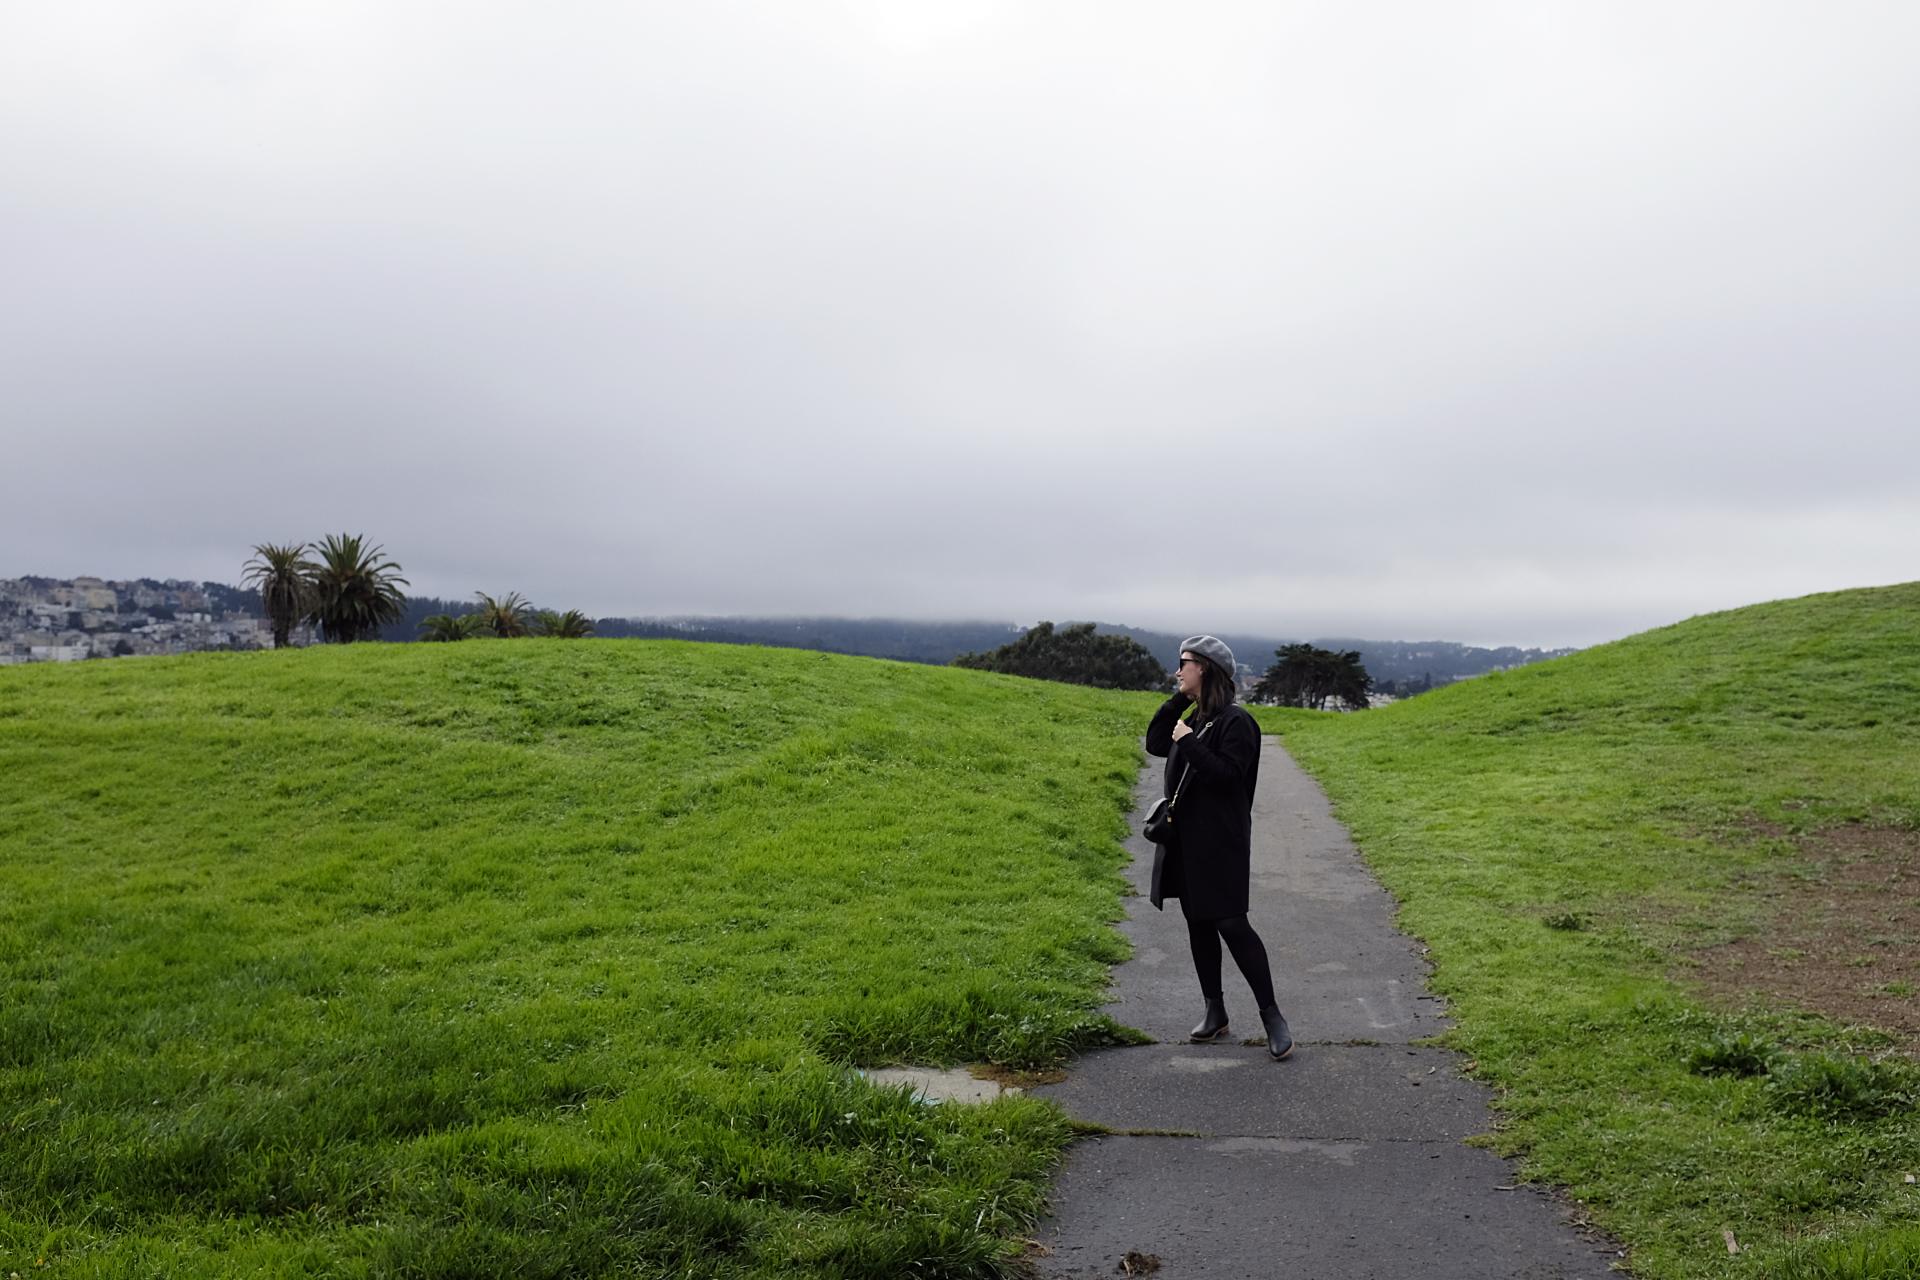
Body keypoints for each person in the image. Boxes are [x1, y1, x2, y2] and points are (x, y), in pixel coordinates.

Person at [1145, 635, 1293, 1060]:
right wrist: (1177, 706)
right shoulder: (1195, 716)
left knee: (1232, 924)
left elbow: (1227, 777)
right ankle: (1215, 1011)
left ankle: (1272, 1017)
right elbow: (1156, 743)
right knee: (1198, 923)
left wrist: (1188, 740)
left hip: (1221, 843)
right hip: (1186, 841)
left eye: (1184, 664)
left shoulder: (1236, 722)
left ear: (1205, 668)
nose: (1178, 671)